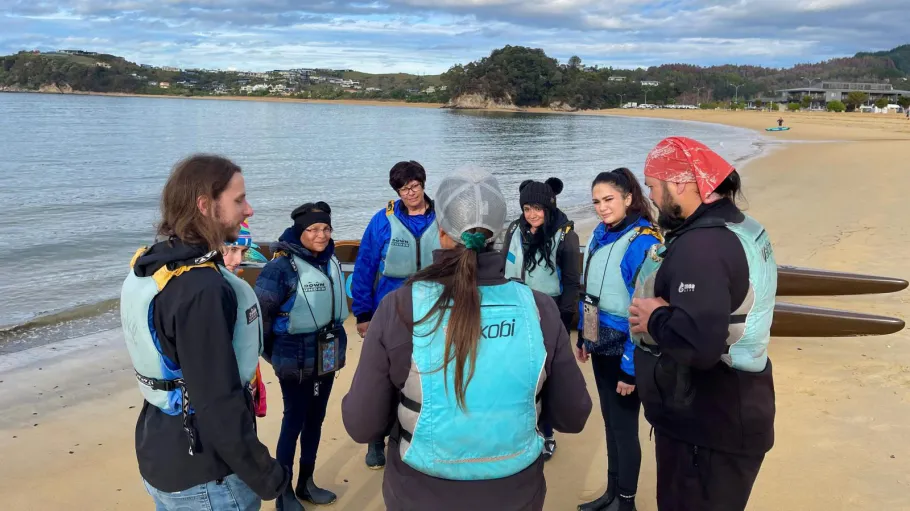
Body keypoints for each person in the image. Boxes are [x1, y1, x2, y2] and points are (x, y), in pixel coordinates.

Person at [341, 166, 593, 511]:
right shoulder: (539, 309)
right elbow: (573, 415)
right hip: (516, 491)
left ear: (440, 231)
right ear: (500, 230)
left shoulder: (399, 307)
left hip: (421, 492)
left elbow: (361, 423)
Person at [119, 154, 288, 510]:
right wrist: (265, 474)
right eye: (239, 199)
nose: (249, 210)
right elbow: (216, 399)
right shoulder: (202, 288)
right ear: (205, 205)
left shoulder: (158, 263)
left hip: (160, 453)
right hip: (208, 477)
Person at [628, 136, 777, 511]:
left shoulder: (703, 247)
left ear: (678, 184)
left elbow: (700, 346)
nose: (652, 198)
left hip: (709, 424)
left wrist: (655, 316)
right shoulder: (740, 226)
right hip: (738, 409)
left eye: (653, 187)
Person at [575, 168, 662, 511]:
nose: (601, 207)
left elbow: (644, 310)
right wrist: (585, 336)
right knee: (610, 423)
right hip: (600, 344)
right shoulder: (601, 233)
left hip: (628, 350)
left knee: (625, 427)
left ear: (628, 198)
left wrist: (630, 369)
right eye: (596, 201)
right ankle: (611, 493)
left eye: (608, 200)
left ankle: (626, 502)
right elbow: (592, 293)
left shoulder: (644, 242)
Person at [254, 202, 349, 509]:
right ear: (299, 231)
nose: (321, 235)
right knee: (293, 421)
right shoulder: (279, 269)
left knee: (316, 420)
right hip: (294, 361)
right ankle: (284, 494)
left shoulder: (330, 261)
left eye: (326, 228)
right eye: (313, 229)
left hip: (328, 354)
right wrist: (276, 356)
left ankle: (306, 482)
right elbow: (260, 321)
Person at [350, 160, 441, 468]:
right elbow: (364, 267)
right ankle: (376, 441)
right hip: (390, 313)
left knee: (428, 374)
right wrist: (363, 313)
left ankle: (417, 431)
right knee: (382, 376)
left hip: (434, 311)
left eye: (414, 186)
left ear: (423, 184)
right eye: (403, 189)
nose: (409, 193)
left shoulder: (442, 217)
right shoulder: (382, 221)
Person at [501, 176, 580, 460]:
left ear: (549, 206)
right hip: (516, 309)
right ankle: (522, 427)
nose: (532, 214)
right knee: (518, 374)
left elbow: (571, 282)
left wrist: (563, 319)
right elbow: (502, 268)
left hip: (550, 311)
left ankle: (547, 433)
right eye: (527, 208)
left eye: (538, 208)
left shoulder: (566, 235)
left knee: (546, 377)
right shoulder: (514, 229)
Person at [221, 220, 270, 419]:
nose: (237, 260)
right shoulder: (209, 292)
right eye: (231, 250)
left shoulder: (236, 285)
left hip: (245, 385)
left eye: (242, 251)